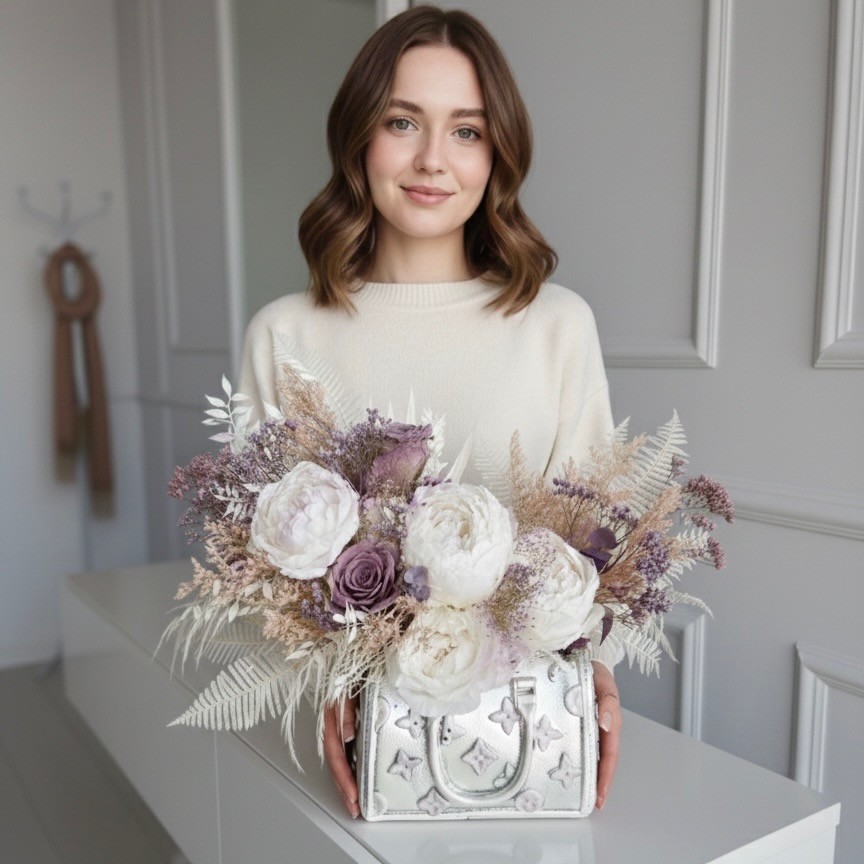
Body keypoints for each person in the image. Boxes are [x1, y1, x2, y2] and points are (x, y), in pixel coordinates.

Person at [238, 5, 622, 820]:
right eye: (402, 121)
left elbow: (597, 548)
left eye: (467, 131)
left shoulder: (558, 325)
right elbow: (258, 575)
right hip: (361, 754)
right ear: (358, 138)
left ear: (499, 153)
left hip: (526, 739)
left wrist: (596, 670)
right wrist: (327, 688)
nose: (430, 160)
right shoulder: (285, 333)